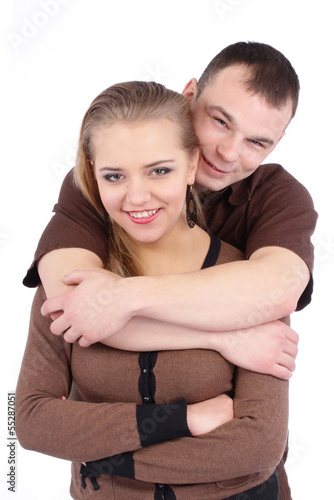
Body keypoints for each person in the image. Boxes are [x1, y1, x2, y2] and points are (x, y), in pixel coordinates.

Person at [22, 42, 317, 498]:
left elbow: (255, 445)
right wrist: (222, 338)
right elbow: (79, 312)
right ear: (189, 95)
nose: (228, 152)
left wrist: (128, 297)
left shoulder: (274, 206)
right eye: (220, 121)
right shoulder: (100, 183)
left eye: (257, 142)